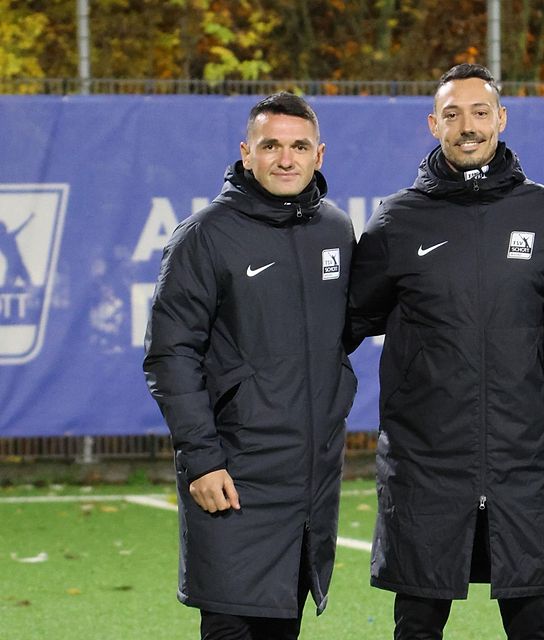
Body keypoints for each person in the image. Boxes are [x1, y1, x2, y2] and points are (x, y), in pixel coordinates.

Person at [348, 63, 544, 640]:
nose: (467, 125)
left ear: (501, 119)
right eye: (452, 114)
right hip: (424, 468)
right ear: (434, 124)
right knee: (417, 627)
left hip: (519, 463)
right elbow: (353, 319)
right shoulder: (396, 221)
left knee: (532, 627)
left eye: (480, 112)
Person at [143, 92, 357, 640]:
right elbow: (171, 354)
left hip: (308, 482)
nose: (285, 158)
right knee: (231, 622)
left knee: (282, 627)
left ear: (320, 155)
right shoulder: (204, 235)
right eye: (271, 146)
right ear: (246, 153)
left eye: (299, 146)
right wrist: (202, 458)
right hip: (233, 476)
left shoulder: (336, 229)